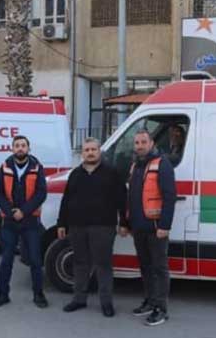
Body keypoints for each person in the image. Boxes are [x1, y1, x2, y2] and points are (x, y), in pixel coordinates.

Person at [57, 138, 126, 317]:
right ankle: (79, 299)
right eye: (87, 150)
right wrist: (61, 223)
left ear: (99, 151)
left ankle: (106, 303)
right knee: (80, 263)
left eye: (93, 149)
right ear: (82, 153)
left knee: (103, 265)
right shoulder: (75, 174)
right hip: (77, 226)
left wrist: (124, 222)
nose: (90, 153)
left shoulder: (112, 172)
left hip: (103, 226)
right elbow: (66, 200)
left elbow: (122, 199)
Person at [120, 129, 177, 326]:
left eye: (144, 142)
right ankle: (150, 301)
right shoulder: (135, 165)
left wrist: (165, 225)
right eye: (137, 143)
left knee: (159, 268)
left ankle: (161, 309)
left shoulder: (162, 164)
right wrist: (126, 223)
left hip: (156, 227)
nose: (140, 146)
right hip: (138, 226)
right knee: (145, 267)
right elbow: (130, 197)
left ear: (151, 143)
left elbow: (169, 196)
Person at [0, 135, 49, 309]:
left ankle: (38, 294)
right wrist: (10, 212)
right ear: (12, 148)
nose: (20, 148)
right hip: (9, 222)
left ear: (28, 148)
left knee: (35, 260)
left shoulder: (37, 167)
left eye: (23, 145)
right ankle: (2, 295)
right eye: (17, 145)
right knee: (6, 260)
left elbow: (41, 193)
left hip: (30, 221)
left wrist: (24, 211)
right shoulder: (5, 167)